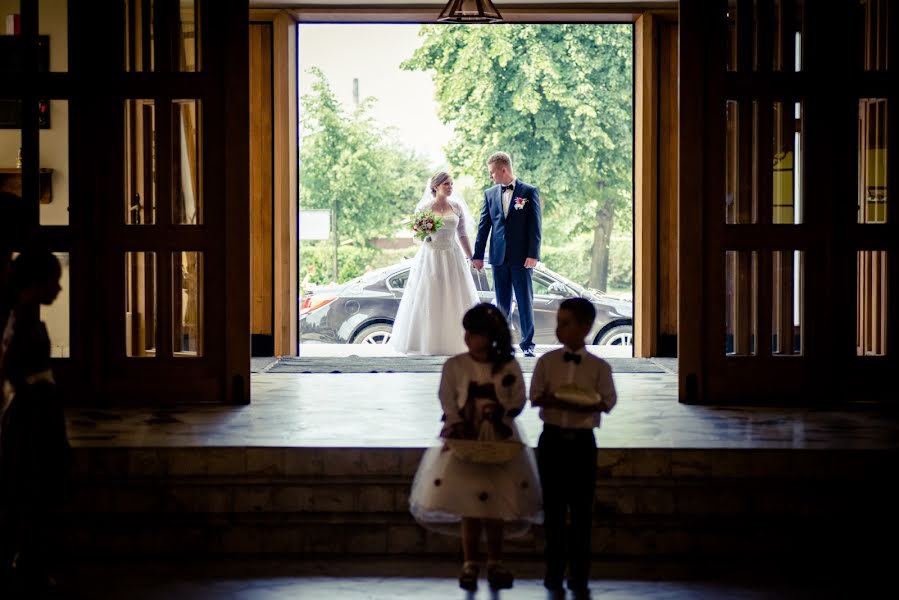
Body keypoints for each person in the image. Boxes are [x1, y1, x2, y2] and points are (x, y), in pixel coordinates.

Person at [408, 303, 542, 591]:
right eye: (467, 332)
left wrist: (501, 413)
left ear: (490, 335)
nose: (468, 338)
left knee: (495, 502)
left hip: (499, 436)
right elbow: (446, 397)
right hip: (465, 436)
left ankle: (496, 561)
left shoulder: (507, 365)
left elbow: (517, 397)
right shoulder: (455, 365)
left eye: (475, 333)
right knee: (469, 503)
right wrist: (458, 421)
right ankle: (469, 563)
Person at [529, 298, 617, 598]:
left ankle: (579, 575)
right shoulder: (546, 362)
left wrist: (574, 401)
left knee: (581, 512)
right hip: (551, 440)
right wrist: (569, 401)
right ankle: (553, 572)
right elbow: (537, 397)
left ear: (585, 327)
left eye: (566, 323)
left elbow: (606, 402)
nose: (558, 328)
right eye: (558, 321)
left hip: (582, 444)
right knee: (553, 511)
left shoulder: (599, 367)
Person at [0, 248, 71, 593]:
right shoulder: (22, 323)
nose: (59, 289)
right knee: (32, 494)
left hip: (34, 418)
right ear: (37, 283)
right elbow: (16, 372)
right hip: (33, 424)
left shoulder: (20, 317)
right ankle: (29, 569)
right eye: (54, 282)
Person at [389, 172, 480, 355]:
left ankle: (457, 341)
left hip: (453, 256)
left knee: (454, 296)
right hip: (431, 257)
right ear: (436, 186)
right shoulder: (424, 208)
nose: (450, 187)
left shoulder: (456, 207)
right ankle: (427, 342)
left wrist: (472, 257)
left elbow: (462, 234)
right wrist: (425, 234)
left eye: (452, 184)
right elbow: (418, 236)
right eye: (446, 183)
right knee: (430, 296)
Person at [471, 152, 542, 357]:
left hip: (522, 258)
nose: (491, 177)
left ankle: (527, 344)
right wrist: (477, 255)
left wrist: (533, 254)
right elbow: (484, 226)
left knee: (524, 300)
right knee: (502, 303)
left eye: (492, 172)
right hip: (498, 257)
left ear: (503, 169)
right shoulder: (490, 193)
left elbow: (535, 227)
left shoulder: (528, 192)